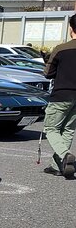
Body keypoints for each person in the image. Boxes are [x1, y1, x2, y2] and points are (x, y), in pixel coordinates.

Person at [42, 14, 76, 179]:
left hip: (62, 94)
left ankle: (65, 155)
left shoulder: (61, 49)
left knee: (51, 128)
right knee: (68, 129)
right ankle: (58, 166)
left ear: (71, 29)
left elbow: (48, 73)